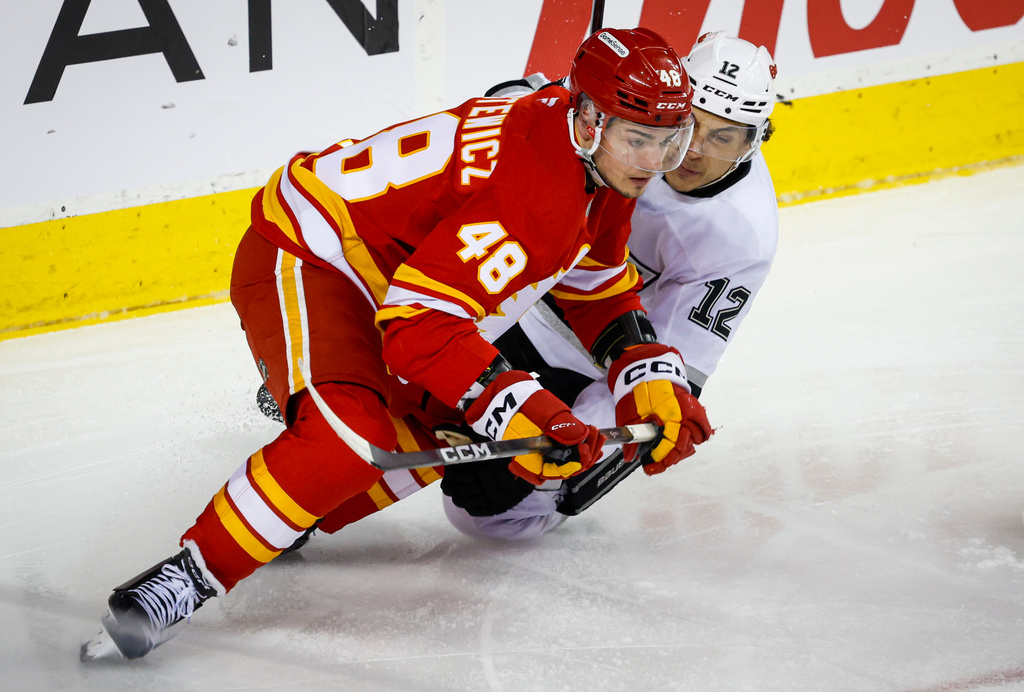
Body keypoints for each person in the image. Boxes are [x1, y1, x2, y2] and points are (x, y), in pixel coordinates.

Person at [81, 27, 713, 661]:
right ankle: (185, 578)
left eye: (668, 141)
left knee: (455, 437)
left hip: (395, 283)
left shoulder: (592, 159)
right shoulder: (533, 189)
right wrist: (533, 409)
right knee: (352, 440)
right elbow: (418, 329)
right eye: (639, 140)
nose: (653, 162)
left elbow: (595, 281)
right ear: (588, 121)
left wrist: (645, 374)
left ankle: (287, 504)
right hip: (312, 256)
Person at [440, 31, 780, 540]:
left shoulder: (739, 236)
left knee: (486, 514)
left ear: (755, 140)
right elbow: (528, 102)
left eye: (723, 137)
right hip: (508, 286)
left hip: (580, 347)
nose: (694, 152)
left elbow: (667, 373)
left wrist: (578, 453)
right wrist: (516, 103)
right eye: (691, 125)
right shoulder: (638, 118)